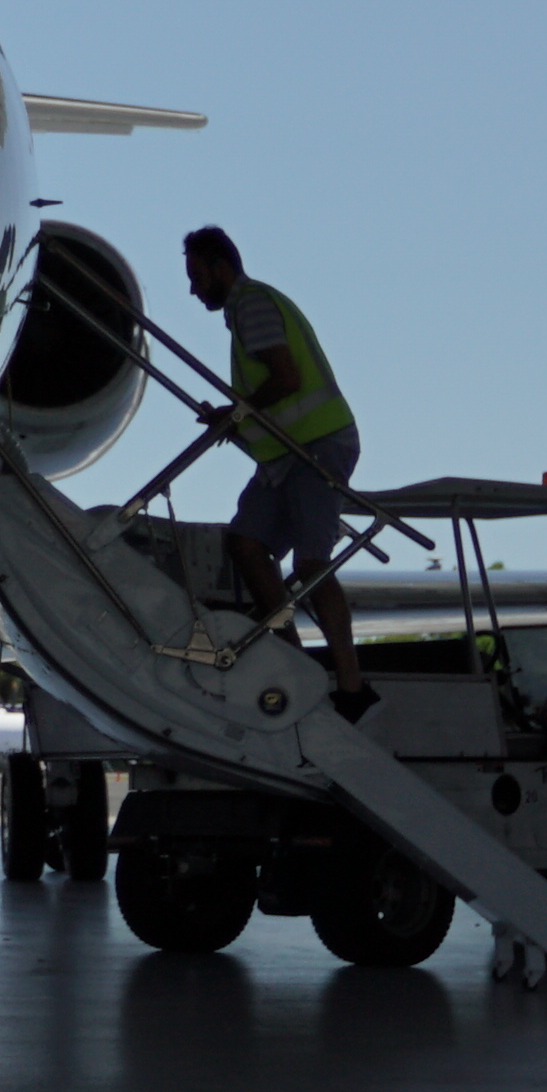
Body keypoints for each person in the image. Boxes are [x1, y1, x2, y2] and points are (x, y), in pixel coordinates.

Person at [182, 226, 378, 723]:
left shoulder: (251, 305)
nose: (192, 288)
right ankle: (294, 655)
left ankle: (352, 686)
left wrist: (235, 413)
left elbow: (286, 378)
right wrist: (234, 415)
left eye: (196, 275)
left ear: (220, 267)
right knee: (246, 543)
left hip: (316, 447)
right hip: (285, 457)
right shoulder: (243, 312)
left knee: (313, 565)